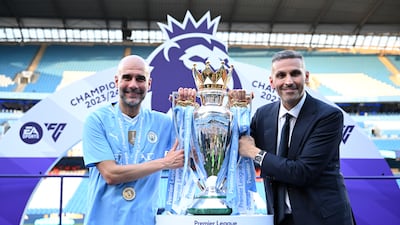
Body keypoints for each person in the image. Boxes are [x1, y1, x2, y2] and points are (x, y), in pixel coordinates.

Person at [237, 50, 355, 225]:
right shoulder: (263, 115)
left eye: (295, 73)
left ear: (306, 77)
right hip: (280, 218)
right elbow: (240, 147)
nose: (289, 81)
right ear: (272, 81)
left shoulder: (328, 116)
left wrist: (255, 153)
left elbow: (302, 172)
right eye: (281, 75)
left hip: (323, 219)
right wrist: (235, 110)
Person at [82, 55, 189, 225]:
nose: (133, 85)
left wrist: (187, 111)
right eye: (127, 77)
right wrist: (164, 163)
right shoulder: (97, 120)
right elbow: (110, 174)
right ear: (116, 81)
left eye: (140, 79)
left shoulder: (163, 123)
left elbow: (194, 155)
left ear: (149, 84)